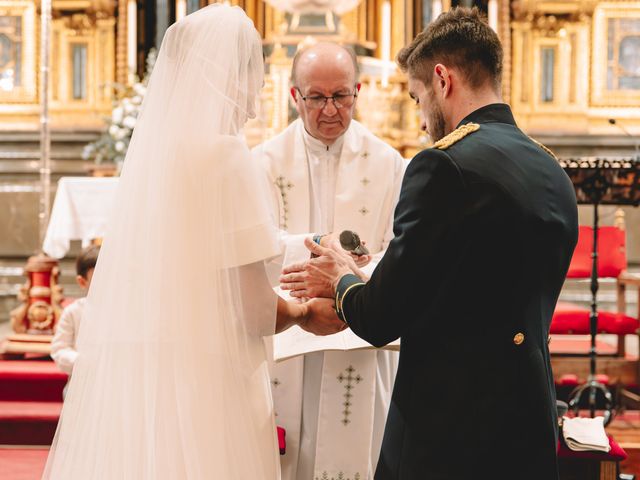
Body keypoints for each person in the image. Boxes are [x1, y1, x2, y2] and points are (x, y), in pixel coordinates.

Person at [42, 5, 336, 479]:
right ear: (228, 77)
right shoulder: (224, 156)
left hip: (147, 381)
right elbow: (252, 309)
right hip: (212, 384)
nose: (258, 91)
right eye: (252, 74)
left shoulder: (153, 163)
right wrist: (306, 314)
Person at [289, 7, 579, 480]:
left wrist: (339, 272)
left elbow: (378, 319)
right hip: (527, 421)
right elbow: (476, 289)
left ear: (442, 80)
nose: (423, 120)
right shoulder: (547, 166)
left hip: (449, 433)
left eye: (417, 96)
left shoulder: (444, 167)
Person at [253, 42, 406, 480]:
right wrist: (325, 257)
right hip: (287, 332)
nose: (330, 110)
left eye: (341, 96)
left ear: (359, 91)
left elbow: (401, 251)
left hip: (357, 328)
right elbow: (253, 251)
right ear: (294, 96)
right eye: (316, 97)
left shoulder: (389, 164)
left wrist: (348, 287)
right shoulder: (262, 163)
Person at [50, 245, 100, 396]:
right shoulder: (74, 312)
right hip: (83, 384)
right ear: (82, 282)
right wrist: (84, 361)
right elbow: (59, 349)